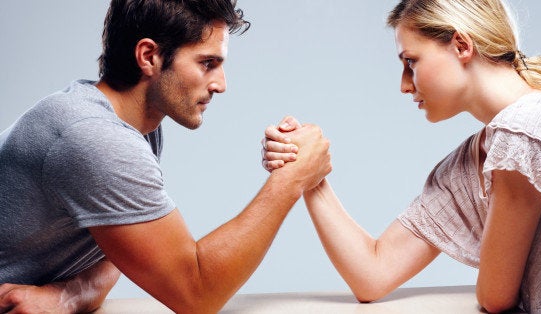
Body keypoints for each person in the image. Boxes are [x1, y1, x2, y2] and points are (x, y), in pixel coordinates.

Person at [262, 0, 541, 313]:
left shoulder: (527, 130)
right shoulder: (471, 164)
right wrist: (307, 173)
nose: (404, 84)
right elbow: (373, 273)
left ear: (461, 46)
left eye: (411, 61)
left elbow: (495, 296)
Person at [0, 0, 331, 313]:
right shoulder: (94, 138)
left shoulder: (134, 126)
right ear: (149, 57)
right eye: (207, 63)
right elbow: (196, 295)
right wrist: (292, 178)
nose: (221, 84)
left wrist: (68, 295)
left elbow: (123, 254)